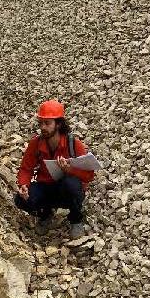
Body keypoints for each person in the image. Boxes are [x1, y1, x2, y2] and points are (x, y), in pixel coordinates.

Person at [15, 99, 95, 239]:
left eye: (47, 123)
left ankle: (76, 219)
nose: (43, 127)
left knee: (70, 184)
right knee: (20, 200)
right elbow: (26, 169)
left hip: (67, 191)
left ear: (58, 124)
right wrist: (24, 185)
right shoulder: (36, 143)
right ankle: (45, 214)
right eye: (41, 123)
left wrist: (70, 170)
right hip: (46, 188)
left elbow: (88, 176)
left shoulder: (74, 144)